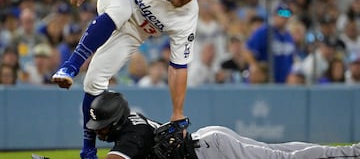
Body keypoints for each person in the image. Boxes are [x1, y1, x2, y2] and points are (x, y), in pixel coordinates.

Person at [51, 0, 206, 159]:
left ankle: (88, 150)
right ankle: (70, 66)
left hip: (134, 32)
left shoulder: (187, 17)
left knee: (94, 81)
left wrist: (178, 112)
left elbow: (178, 66)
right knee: (120, 10)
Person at [87, 91, 360, 159]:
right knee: (279, 152)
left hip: (212, 150)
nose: (99, 131)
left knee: (282, 157)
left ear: (118, 120)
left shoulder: (131, 134)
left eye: (104, 125)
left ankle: (353, 153)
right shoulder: (128, 126)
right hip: (206, 145)